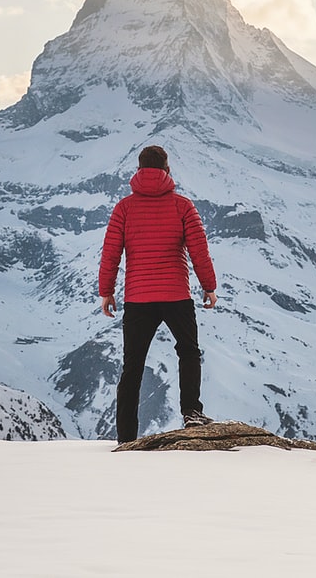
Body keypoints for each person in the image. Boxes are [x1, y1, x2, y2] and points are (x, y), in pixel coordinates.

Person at [99, 144, 218, 443]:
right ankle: (191, 411)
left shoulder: (124, 208)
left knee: (133, 366)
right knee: (188, 351)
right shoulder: (182, 206)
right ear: (167, 169)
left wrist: (107, 292)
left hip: (138, 299)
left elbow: (111, 253)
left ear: (138, 169)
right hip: (176, 295)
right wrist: (209, 287)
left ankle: (126, 436)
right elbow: (199, 251)